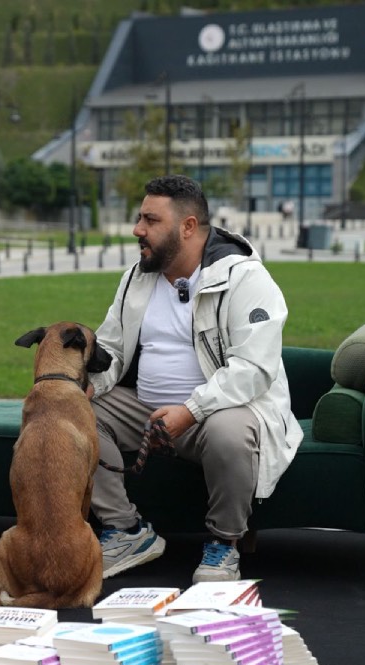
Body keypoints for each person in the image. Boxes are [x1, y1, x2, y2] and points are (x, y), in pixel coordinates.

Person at [87, 175, 303, 583]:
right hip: (143, 410)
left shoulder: (245, 279)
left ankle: (224, 545)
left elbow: (254, 369)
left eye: (150, 220)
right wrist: (88, 386)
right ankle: (126, 532)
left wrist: (191, 410)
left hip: (217, 412)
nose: (138, 230)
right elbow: (112, 347)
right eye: (139, 218)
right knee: (74, 411)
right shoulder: (138, 276)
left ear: (188, 227)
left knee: (229, 430)